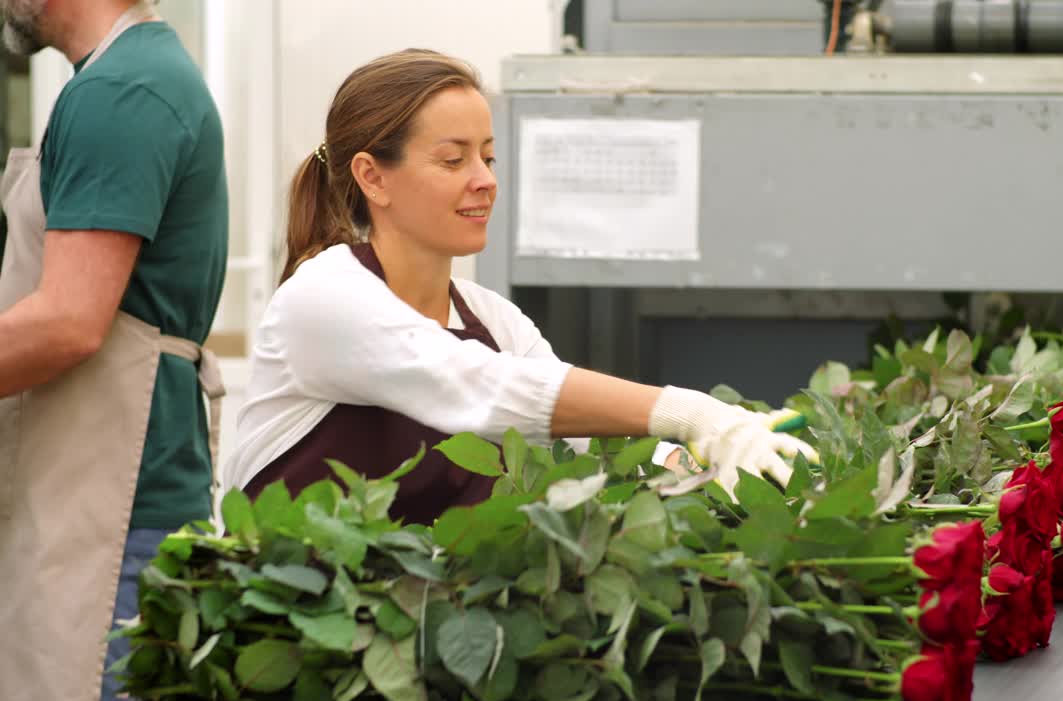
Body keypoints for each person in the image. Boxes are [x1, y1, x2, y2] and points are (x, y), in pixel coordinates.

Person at [226, 49, 812, 528]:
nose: (484, 181)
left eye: (488, 157)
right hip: (283, 641)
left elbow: (581, 445)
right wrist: (688, 412)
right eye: (453, 161)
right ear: (372, 176)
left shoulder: (493, 320)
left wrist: (714, 456)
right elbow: (480, 384)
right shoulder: (324, 297)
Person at [0, 0, 228, 701]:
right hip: (96, 498)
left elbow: (68, 321)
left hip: (112, 515)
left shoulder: (122, 92)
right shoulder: (122, 79)